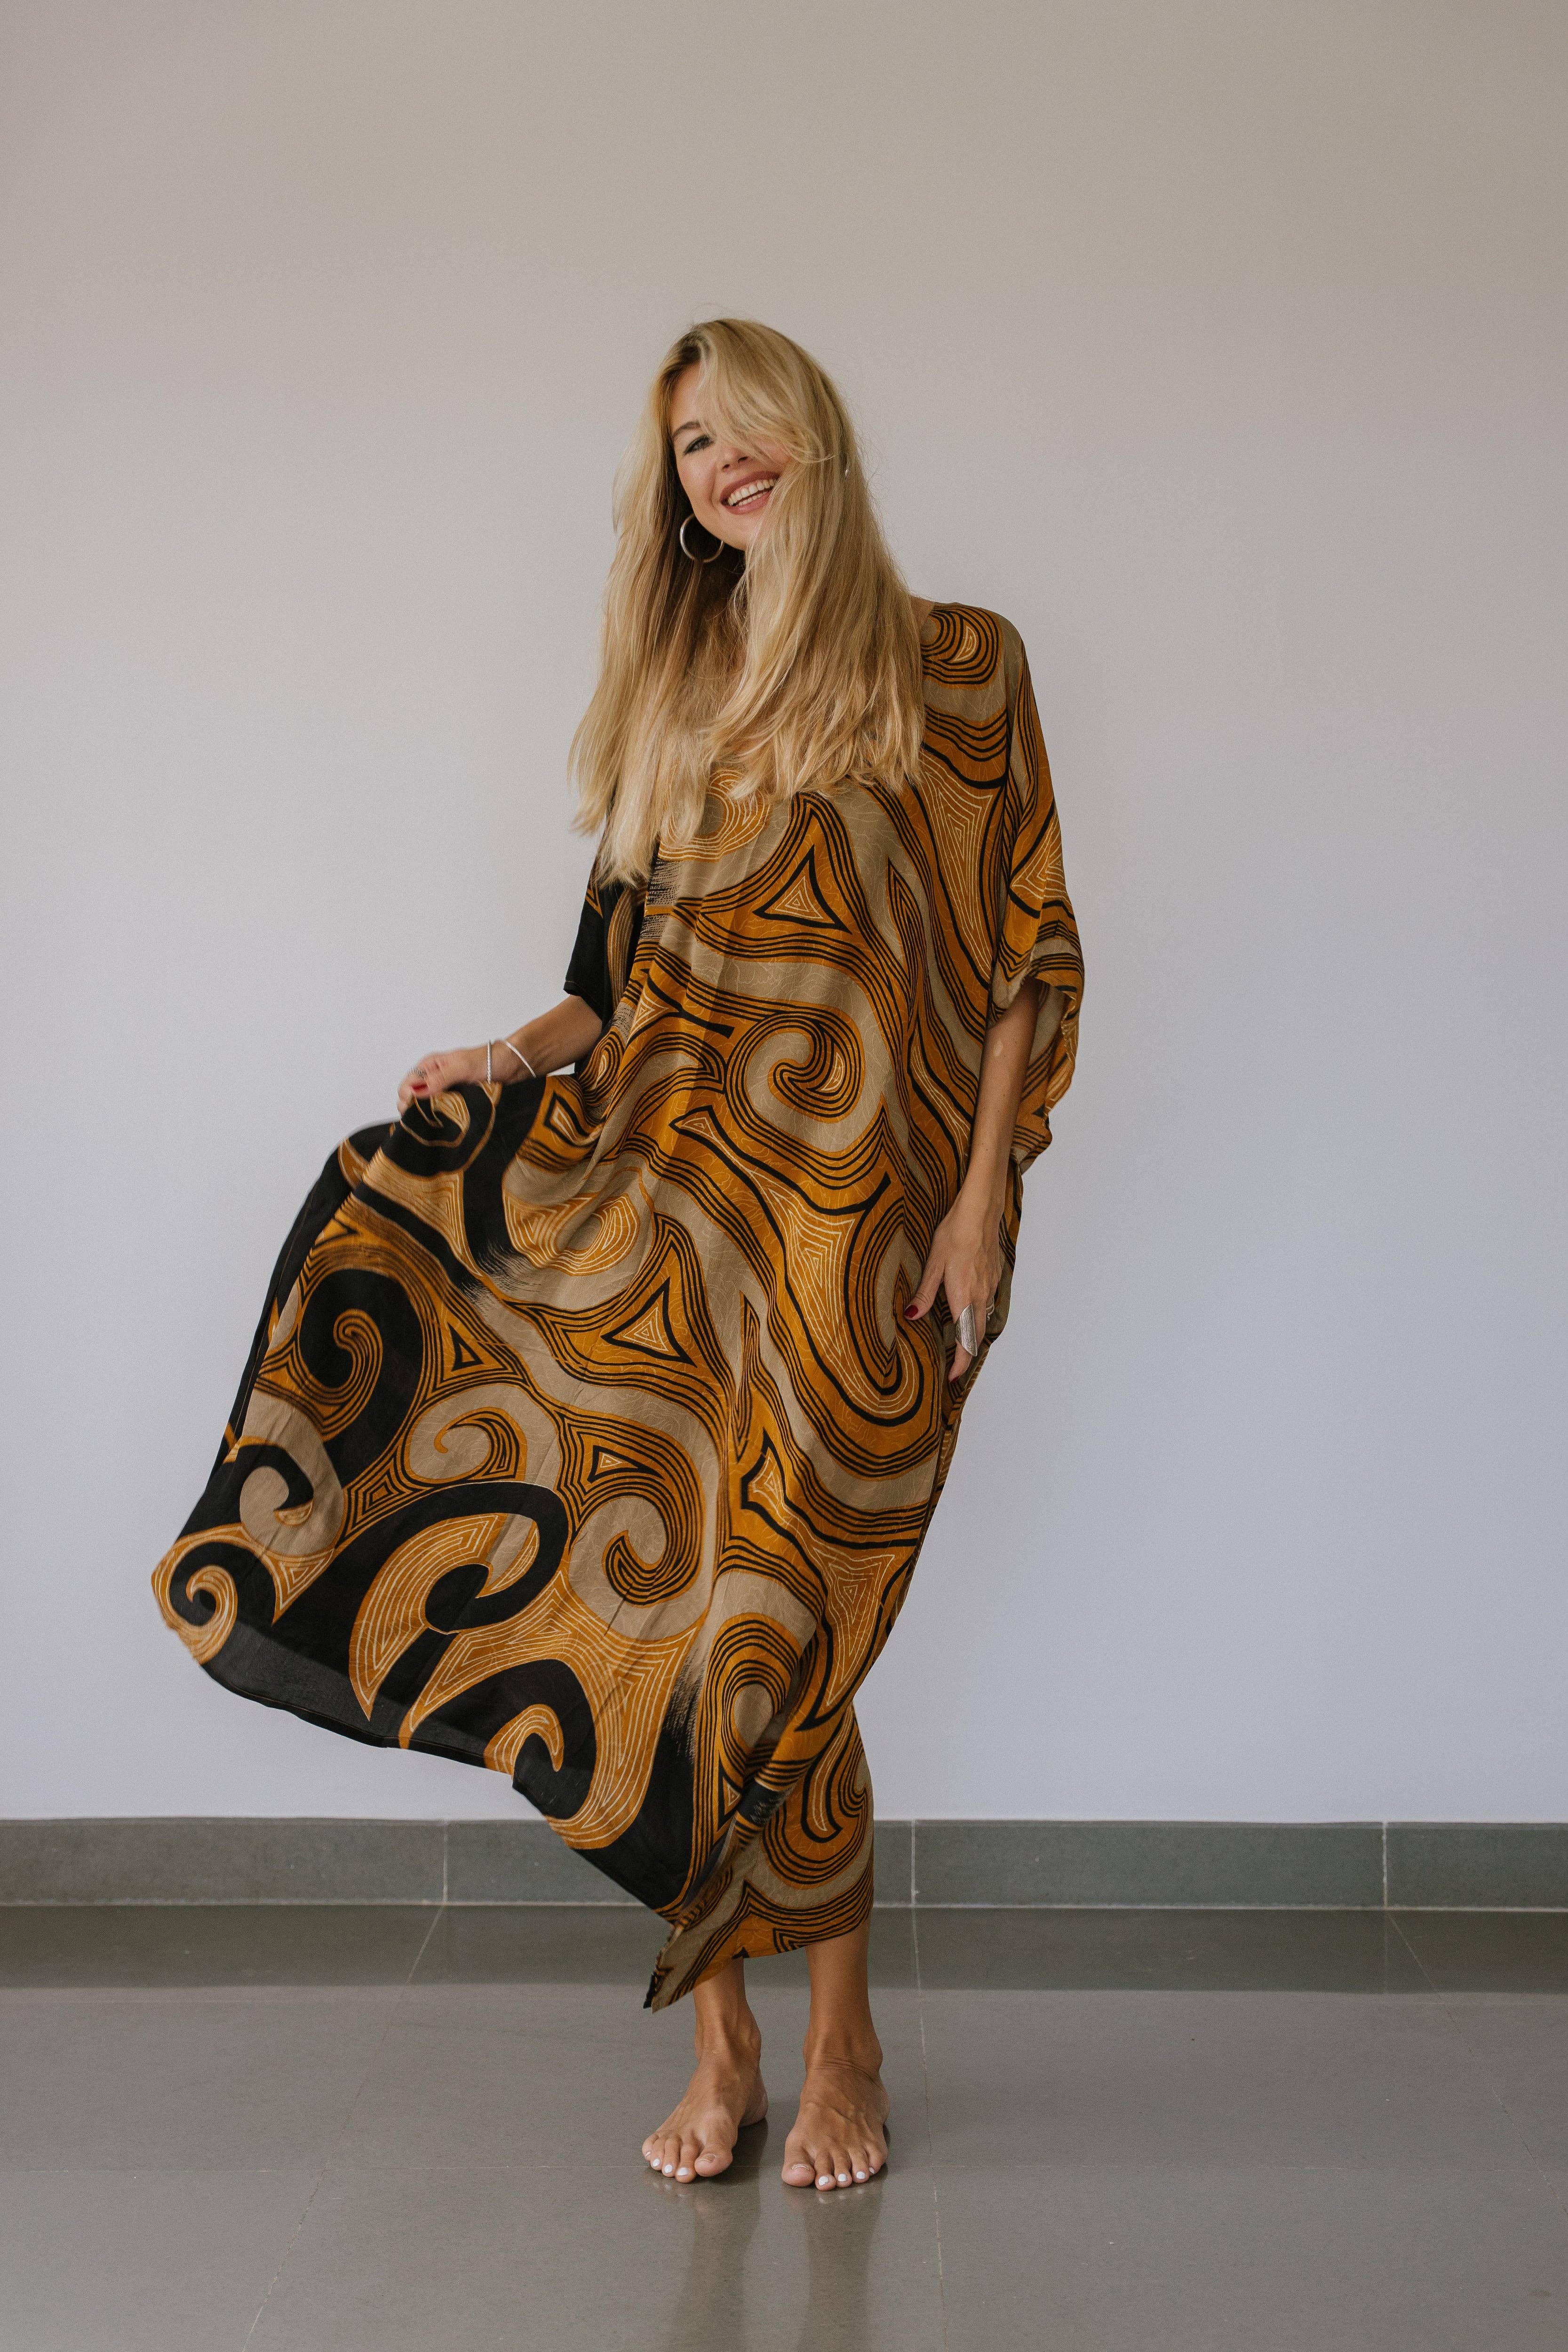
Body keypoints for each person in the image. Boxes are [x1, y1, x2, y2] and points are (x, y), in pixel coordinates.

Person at [153, 317, 1082, 2193]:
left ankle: (847, 2040)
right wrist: (501, 1062)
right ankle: (730, 2040)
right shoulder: (679, 687)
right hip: (663, 1218)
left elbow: (1021, 956)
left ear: (811, 432)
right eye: (685, 446)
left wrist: (983, 1193)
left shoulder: (964, 665)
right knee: (659, 1641)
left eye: (740, 426)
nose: (718, 462)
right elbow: (607, 984)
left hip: (859, 1234)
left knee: (789, 1630)